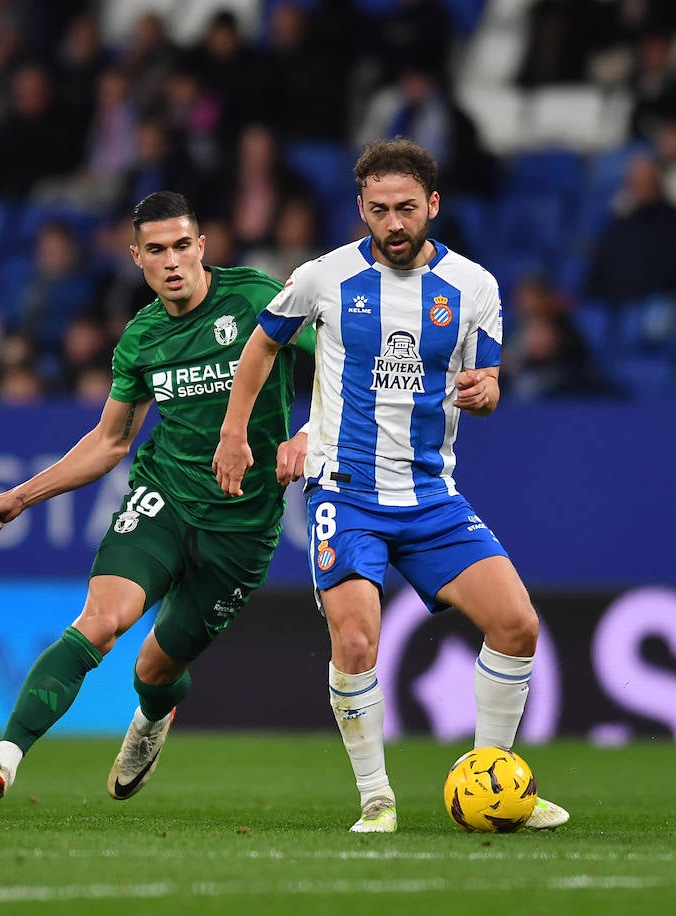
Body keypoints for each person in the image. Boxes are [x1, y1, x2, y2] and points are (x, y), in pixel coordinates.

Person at [212, 138, 569, 834]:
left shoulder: (475, 288)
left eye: (407, 208)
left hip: (432, 496)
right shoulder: (323, 277)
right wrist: (235, 431)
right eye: (379, 210)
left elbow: (489, 380)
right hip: (344, 492)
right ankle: (377, 799)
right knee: (355, 641)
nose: (395, 223)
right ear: (361, 210)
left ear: (433, 205)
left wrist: (486, 390)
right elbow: (263, 343)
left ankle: (492, 783)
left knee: (517, 624)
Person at [0, 191, 311, 818]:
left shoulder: (258, 299)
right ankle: (0, 764)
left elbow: (339, 360)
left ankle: (153, 713)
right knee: (99, 621)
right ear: (136, 258)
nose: (173, 261)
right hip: (164, 498)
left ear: (202, 246)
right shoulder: (142, 337)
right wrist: (21, 496)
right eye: (157, 250)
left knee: (153, 669)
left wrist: (311, 433)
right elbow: (110, 441)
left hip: (242, 526)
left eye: (182, 246)